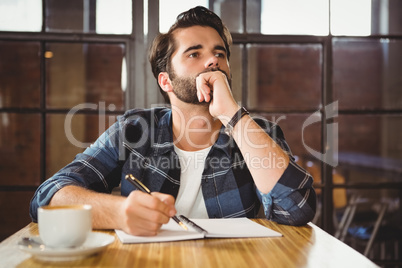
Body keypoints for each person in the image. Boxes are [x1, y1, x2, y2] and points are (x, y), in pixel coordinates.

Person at [30, 6, 316, 236]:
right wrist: (118, 212)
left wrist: (232, 115)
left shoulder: (259, 132)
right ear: (166, 81)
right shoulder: (134, 129)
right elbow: (49, 196)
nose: (212, 61)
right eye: (195, 53)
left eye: (220, 53)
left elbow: (297, 210)